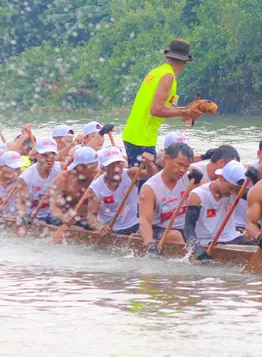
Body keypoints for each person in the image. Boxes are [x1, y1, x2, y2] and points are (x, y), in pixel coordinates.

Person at [121, 39, 206, 167]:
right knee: (144, 181)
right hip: (142, 138)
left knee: (141, 179)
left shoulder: (157, 72)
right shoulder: (168, 77)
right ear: (184, 61)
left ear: (168, 56)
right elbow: (156, 110)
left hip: (134, 134)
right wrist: (187, 112)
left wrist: (189, 109)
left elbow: (157, 106)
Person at [184, 161, 257, 259]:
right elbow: (188, 227)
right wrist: (196, 248)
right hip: (207, 241)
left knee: (257, 250)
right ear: (221, 178)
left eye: (236, 190)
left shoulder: (236, 191)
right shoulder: (197, 196)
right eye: (231, 188)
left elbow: (259, 197)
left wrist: (256, 180)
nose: (232, 192)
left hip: (233, 237)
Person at [139, 141, 200, 253]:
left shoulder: (190, 179)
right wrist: (150, 244)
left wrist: (199, 180)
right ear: (167, 159)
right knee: (176, 236)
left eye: (186, 166)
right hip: (160, 229)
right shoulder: (150, 188)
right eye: (179, 164)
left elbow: (209, 190)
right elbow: (145, 221)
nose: (183, 170)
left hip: (187, 228)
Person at [88, 147, 156, 236]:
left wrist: (149, 164)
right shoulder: (95, 187)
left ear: (123, 163)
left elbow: (152, 175)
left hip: (133, 225)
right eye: (111, 164)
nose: (116, 167)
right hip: (109, 230)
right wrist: (99, 227)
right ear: (103, 167)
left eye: (118, 163)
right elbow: (91, 216)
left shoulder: (131, 174)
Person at [15, 137, 64, 225]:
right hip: (33, 216)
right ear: (37, 155)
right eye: (45, 155)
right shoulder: (26, 178)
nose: (49, 159)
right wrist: (25, 216)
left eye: (52, 154)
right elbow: (20, 205)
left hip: (52, 214)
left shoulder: (61, 168)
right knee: (42, 224)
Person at [50, 146, 100, 229]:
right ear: (80, 166)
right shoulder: (62, 179)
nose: (96, 170)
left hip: (90, 220)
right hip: (67, 221)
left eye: (96, 166)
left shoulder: (98, 177)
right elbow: (54, 208)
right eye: (92, 167)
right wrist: (64, 218)